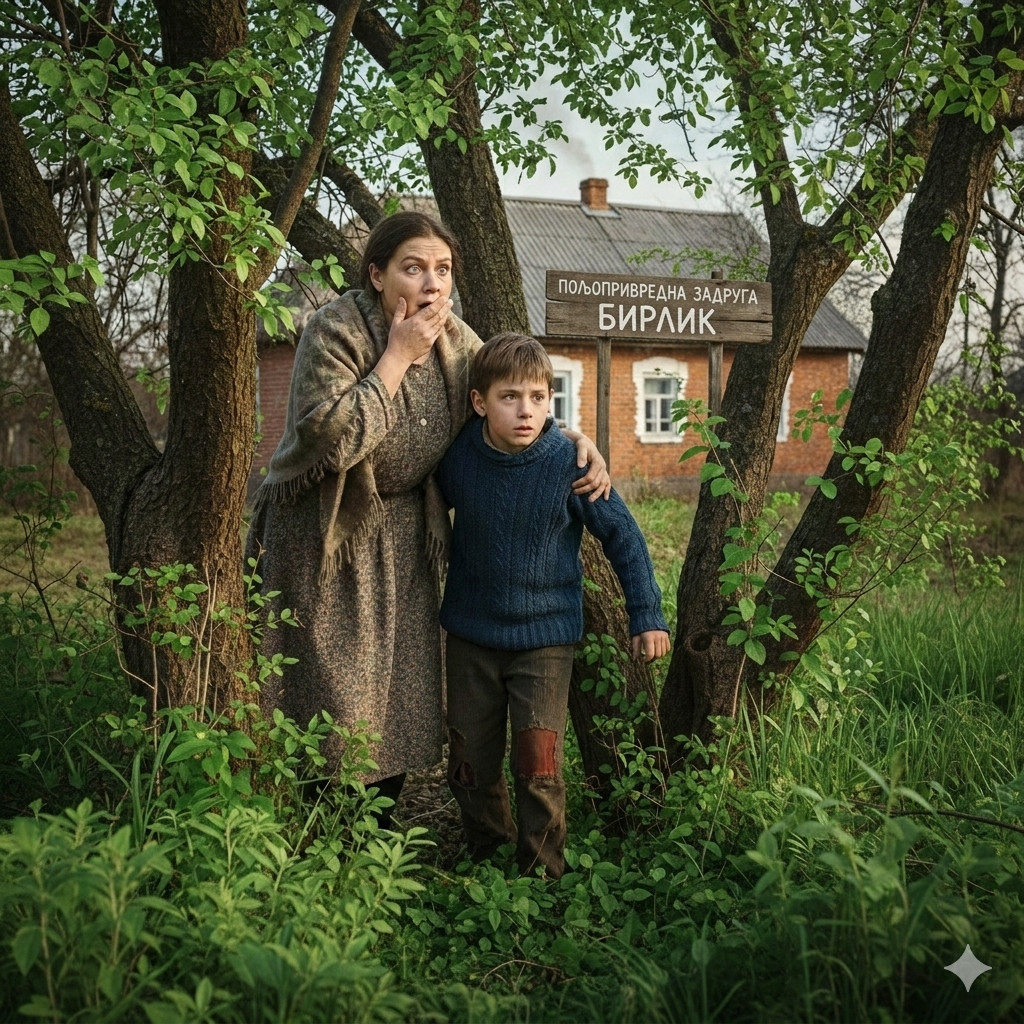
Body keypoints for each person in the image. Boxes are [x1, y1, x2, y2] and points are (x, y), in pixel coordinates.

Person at [245, 212, 609, 823]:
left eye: (442, 269)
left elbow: (511, 400)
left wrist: (572, 440)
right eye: (413, 268)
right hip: (325, 536)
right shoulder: (335, 331)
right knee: (332, 691)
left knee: (397, 697)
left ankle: (377, 830)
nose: (432, 283)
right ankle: (323, 834)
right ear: (377, 276)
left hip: (406, 535)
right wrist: (396, 357)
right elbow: (331, 444)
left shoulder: (458, 342)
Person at [435, 332, 671, 878]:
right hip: (470, 637)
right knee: (469, 761)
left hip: (544, 642)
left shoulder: (570, 463)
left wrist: (647, 614)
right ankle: (488, 858)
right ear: (479, 403)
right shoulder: (458, 457)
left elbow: (624, 536)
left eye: (538, 398)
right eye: (510, 397)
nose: (526, 411)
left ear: (550, 401)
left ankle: (542, 874)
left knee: (538, 763)